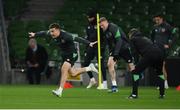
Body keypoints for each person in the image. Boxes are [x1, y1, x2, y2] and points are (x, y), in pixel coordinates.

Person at [29, 23, 98, 97]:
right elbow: (43, 33)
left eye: (53, 31)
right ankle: (89, 67)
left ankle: (60, 90)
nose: (51, 33)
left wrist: (89, 43)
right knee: (73, 73)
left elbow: (77, 39)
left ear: (58, 30)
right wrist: (35, 34)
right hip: (65, 55)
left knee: (64, 69)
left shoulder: (66, 36)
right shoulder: (51, 33)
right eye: (50, 31)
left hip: (72, 54)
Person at [99, 17, 135, 93]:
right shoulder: (105, 31)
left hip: (124, 47)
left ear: (106, 22)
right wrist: (112, 52)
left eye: (102, 25)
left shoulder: (113, 27)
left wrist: (115, 53)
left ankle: (135, 85)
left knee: (131, 66)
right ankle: (114, 86)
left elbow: (119, 40)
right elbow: (109, 43)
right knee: (110, 64)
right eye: (100, 26)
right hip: (115, 49)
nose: (101, 27)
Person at [128, 28, 165, 99]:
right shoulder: (145, 38)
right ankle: (162, 94)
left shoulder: (133, 39)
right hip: (159, 53)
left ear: (131, 34)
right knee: (160, 73)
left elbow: (134, 53)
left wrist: (135, 65)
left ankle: (134, 94)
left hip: (149, 55)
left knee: (135, 72)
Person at [151, 14, 177, 89]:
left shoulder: (167, 26)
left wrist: (169, 44)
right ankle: (162, 83)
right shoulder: (155, 27)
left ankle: (165, 83)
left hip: (163, 49)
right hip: (156, 48)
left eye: (158, 20)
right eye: (155, 20)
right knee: (158, 66)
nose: (156, 21)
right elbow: (152, 37)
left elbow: (174, 35)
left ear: (162, 19)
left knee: (161, 65)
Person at [83, 9, 107, 89]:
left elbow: (104, 37)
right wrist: (86, 49)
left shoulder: (99, 24)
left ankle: (105, 82)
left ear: (93, 17)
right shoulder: (88, 25)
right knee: (85, 63)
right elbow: (88, 37)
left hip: (99, 46)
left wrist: (102, 47)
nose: (88, 19)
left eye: (89, 17)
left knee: (101, 64)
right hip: (91, 46)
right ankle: (92, 80)